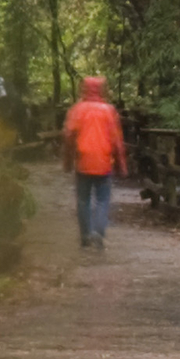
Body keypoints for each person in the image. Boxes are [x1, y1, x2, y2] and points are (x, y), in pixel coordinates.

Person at [62, 75, 128, 250]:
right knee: (102, 200)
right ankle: (98, 232)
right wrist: (122, 164)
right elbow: (116, 140)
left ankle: (85, 236)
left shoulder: (77, 110)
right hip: (104, 162)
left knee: (83, 199)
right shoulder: (109, 110)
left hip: (83, 161)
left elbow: (68, 136)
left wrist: (68, 161)